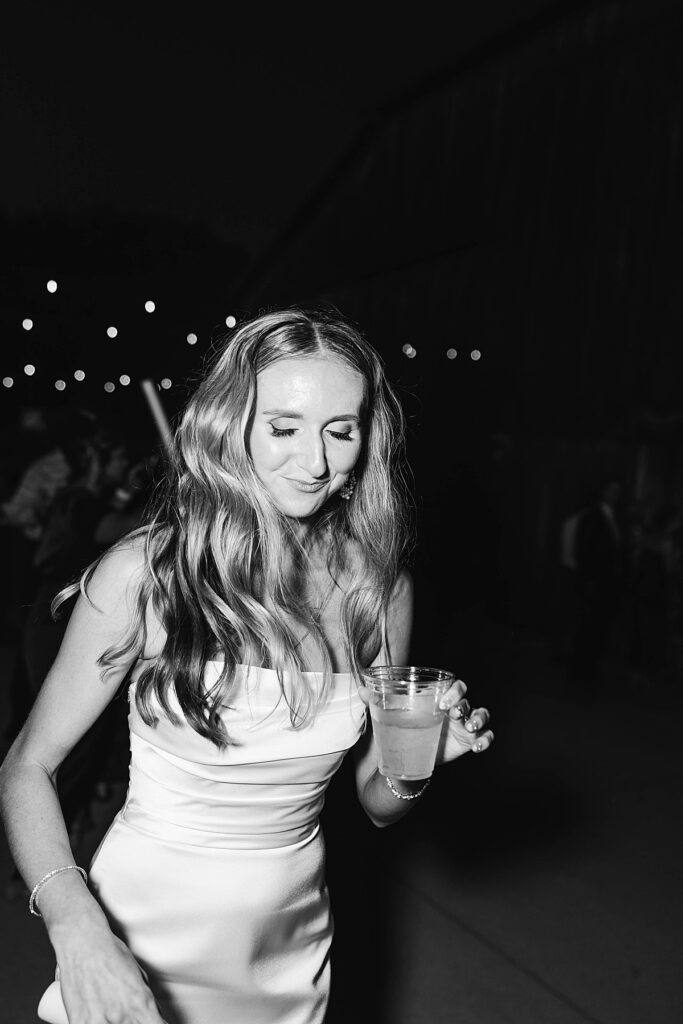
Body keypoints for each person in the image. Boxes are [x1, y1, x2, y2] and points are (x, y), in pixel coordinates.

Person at [0, 309, 494, 1024]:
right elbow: (26, 767)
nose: (315, 460)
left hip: (287, 946)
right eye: (284, 427)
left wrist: (413, 764)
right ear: (234, 429)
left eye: (340, 429)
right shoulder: (148, 575)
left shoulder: (379, 591)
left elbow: (376, 804)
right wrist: (75, 925)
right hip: (139, 931)